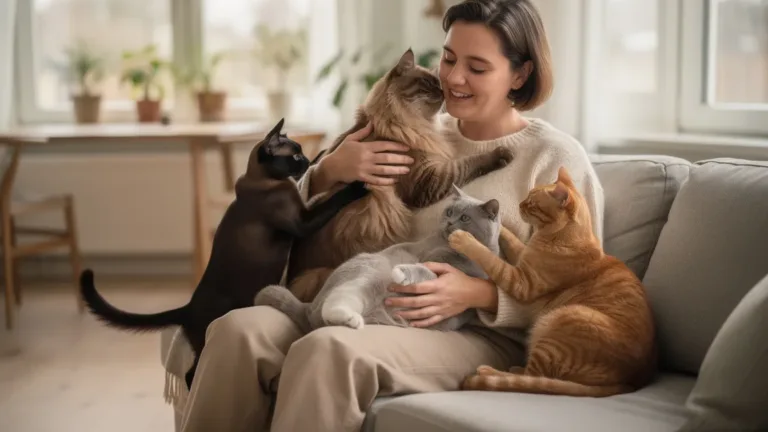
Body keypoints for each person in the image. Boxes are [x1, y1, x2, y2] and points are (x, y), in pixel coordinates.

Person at [178, 0, 605, 430]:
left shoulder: (554, 158)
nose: (454, 78)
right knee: (239, 331)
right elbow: (305, 223)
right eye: (449, 58)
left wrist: (478, 294)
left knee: (329, 349)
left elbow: (584, 292)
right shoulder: (414, 130)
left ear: (520, 74)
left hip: (477, 334)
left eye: (477, 68)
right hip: (374, 302)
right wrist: (329, 171)